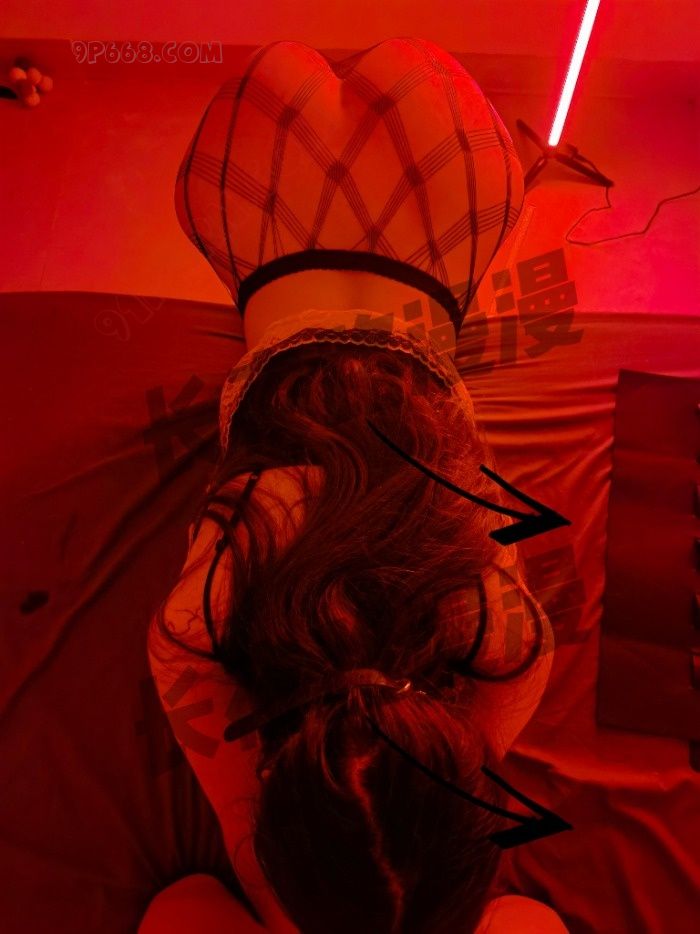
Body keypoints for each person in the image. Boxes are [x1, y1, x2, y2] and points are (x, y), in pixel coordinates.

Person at [143, 38, 567, 933]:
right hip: (269, 204)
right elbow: (191, 897)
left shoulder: (492, 627)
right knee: (302, 75)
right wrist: (279, 885)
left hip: (444, 198)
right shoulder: (213, 599)